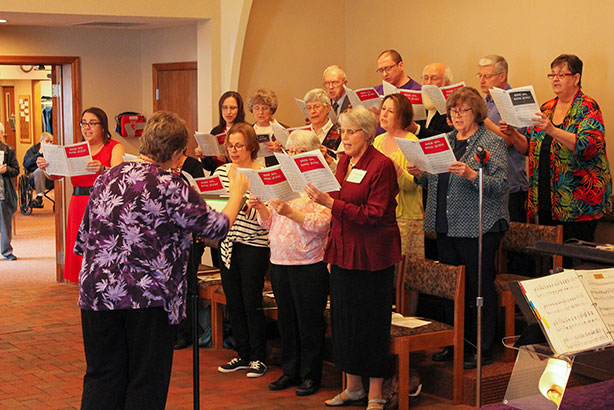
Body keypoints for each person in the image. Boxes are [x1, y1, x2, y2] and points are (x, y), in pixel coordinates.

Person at [74, 111, 249, 410]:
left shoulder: (108, 176)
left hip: (97, 292)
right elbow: (216, 228)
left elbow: (83, 238)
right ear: (178, 153)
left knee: (102, 376)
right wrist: (237, 195)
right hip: (147, 298)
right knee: (145, 381)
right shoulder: (169, 184)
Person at [306, 106, 401, 410]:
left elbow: (374, 214)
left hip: (373, 255)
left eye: (350, 131)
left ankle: (375, 393)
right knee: (344, 321)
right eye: (342, 131)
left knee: (370, 323)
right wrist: (333, 248)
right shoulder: (344, 161)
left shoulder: (381, 165)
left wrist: (329, 203)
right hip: (344, 252)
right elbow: (340, 205)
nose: (344, 138)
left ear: (367, 133)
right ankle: (353, 387)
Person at [407, 87, 509, 369]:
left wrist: (472, 174)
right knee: (452, 288)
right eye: (453, 111)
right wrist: (421, 175)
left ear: (476, 112)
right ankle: (456, 344)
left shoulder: (491, 142)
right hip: (445, 224)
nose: (457, 115)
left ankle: (482, 347)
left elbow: (501, 186)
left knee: (479, 288)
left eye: (463, 110)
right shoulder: (445, 140)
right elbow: (437, 181)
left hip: (479, 227)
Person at [501, 54, 612, 253]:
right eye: (552, 75)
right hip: (545, 200)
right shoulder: (546, 108)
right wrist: (512, 134)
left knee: (574, 260)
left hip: (578, 204)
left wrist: (552, 130)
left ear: (576, 78)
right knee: (549, 259)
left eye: (561, 74)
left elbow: (589, 145)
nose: (555, 79)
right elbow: (527, 147)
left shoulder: (588, 107)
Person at [249, 130, 332, 397]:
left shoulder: (321, 184)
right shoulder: (284, 181)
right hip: (279, 259)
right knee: (286, 320)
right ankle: (290, 371)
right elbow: (269, 223)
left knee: (308, 321)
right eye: (291, 151)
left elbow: (322, 224)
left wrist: (292, 212)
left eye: (299, 152)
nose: (294, 156)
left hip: (308, 262)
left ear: (312, 154)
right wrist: (262, 208)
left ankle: (311, 375)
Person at [37, 107, 125, 283]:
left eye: (92, 123)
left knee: (101, 247)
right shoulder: (75, 149)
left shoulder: (114, 147)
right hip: (78, 204)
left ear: (103, 126)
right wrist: (46, 168)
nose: (87, 127)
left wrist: (103, 169)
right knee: (80, 248)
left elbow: (121, 176)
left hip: (102, 203)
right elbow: (56, 176)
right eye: (84, 123)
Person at [214, 123, 270, 378]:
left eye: (239, 146)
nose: (233, 151)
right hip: (228, 243)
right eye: (230, 146)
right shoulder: (223, 171)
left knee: (251, 301)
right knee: (234, 302)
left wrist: (254, 205)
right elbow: (216, 202)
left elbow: (270, 212)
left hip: (254, 244)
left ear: (251, 147)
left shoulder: (262, 172)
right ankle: (243, 353)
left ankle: (259, 357)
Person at [477, 55, 529, 223]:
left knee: (513, 240)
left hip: (510, 183)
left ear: (502, 76)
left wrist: (483, 121)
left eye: (487, 76)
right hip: (487, 181)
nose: (482, 80)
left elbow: (508, 141)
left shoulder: (513, 101)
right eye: (480, 76)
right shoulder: (484, 102)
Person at [374, 93, 423, 258]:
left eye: (391, 111)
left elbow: (414, 184)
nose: (384, 114)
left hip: (407, 218)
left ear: (402, 116)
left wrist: (396, 170)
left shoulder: (412, 142)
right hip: (381, 215)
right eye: (383, 109)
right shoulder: (377, 141)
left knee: (405, 273)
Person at [172, 151, 206, 350]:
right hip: (171, 234)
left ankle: (187, 332)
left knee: (188, 284)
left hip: (190, 232)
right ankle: (172, 329)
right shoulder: (161, 165)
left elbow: (199, 196)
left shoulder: (192, 165)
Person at [196, 91, 245, 174]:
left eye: (232, 108)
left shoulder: (245, 130)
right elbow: (209, 167)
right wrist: (203, 157)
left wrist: (227, 159)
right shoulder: (216, 131)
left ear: (239, 109)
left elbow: (249, 158)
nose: (228, 112)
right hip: (217, 175)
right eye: (225, 107)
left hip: (237, 175)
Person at [408, 62, 454, 139]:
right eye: (426, 78)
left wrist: (417, 129)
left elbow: (447, 138)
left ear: (447, 82)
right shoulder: (421, 105)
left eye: (434, 78)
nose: (428, 83)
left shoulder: (452, 108)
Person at [304, 88, 341, 167]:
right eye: (309, 108)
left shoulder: (340, 133)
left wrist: (328, 159)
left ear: (328, 107)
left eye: (317, 106)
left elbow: (343, 168)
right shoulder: (304, 133)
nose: (312, 111)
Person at [247, 88, 283, 166]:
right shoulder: (247, 131)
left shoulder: (283, 130)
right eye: (256, 108)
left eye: (265, 108)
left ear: (271, 110)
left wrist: (281, 151)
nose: (260, 112)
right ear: (251, 110)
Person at [0, 123, 19, 261]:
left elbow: (16, 170)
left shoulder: (8, 150)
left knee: (5, 223)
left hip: (3, 192)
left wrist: (6, 170)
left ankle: (6, 251)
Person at [23, 131, 54, 208]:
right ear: (41, 141)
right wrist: (38, 154)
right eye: (47, 141)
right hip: (33, 175)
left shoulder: (53, 150)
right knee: (39, 171)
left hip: (50, 175)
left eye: (51, 142)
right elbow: (26, 164)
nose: (49, 144)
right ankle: (39, 197)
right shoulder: (33, 150)